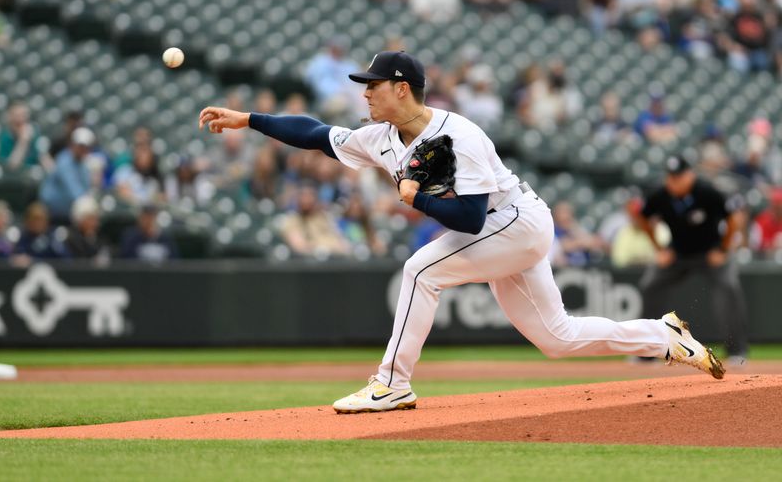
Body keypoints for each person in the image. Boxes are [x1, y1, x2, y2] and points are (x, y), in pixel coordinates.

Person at [198, 50, 725, 415]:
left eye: (373, 87)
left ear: (401, 89)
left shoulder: (459, 135)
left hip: (514, 221)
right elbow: (315, 134)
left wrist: (417, 199)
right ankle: (664, 336)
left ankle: (391, 385)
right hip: (506, 229)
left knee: (421, 268)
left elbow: (470, 219)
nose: (365, 95)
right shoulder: (380, 135)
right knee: (556, 338)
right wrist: (248, 119)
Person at [635, 155, 749, 365]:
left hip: (710, 252)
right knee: (649, 285)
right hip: (678, 253)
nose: (674, 181)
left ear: (690, 175)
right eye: (670, 177)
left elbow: (735, 218)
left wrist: (723, 249)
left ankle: (737, 351)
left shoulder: (707, 192)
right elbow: (641, 217)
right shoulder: (661, 195)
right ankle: (646, 353)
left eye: (678, 177)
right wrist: (659, 249)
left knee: (729, 288)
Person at [39, 126, 94, 223]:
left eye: (85, 147)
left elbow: (86, 188)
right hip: (52, 210)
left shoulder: (83, 165)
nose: (82, 150)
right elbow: (73, 190)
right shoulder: (64, 161)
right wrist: (89, 202)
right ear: (72, 145)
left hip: (69, 212)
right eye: (80, 146)